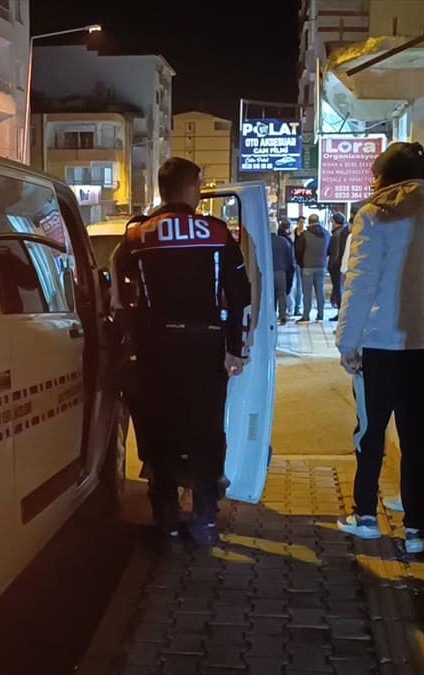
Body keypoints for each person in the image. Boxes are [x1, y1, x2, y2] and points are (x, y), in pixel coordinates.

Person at [334, 142, 424, 555]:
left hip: (379, 342)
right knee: (418, 436)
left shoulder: (374, 215)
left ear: (386, 177)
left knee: (370, 432)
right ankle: (416, 529)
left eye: (375, 176)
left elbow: (360, 283)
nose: (372, 184)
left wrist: (347, 341)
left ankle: (365, 516)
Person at [111, 157, 252, 548]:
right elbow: (240, 294)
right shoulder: (216, 232)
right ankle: (205, 519)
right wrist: (235, 350)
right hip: (206, 349)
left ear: (162, 190)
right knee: (206, 432)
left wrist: (129, 343)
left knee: (160, 433)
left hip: (155, 352)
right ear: (192, 189)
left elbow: (120, 297)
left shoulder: (137, 235)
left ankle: (168, 523)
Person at [295, 213, 330, 324]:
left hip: (307, 267)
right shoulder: (326, 234)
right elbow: (329, 249)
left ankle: (306, 316)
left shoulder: (305, 235)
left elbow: (298, 251)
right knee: (320, 291)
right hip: (321, 266)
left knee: (307, 293)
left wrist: (301, 263)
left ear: (309, 222)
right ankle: (320, 315)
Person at [326, 212, 350, 321]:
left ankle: (340, 313)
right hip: (341, 265)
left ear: (335, 222)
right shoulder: (344, 232)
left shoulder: (337, 234)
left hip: (336, 266)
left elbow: (334, 251)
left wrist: (333, 265)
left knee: (338, 289)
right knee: (341, 289)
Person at [272, 221, 295, 325]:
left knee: (271, 295)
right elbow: (289, 258)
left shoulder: (264, 242)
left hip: (268, 272)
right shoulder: (283, 241)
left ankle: (271, 315)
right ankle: (282, 316)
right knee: (282, 294)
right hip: (281, 271)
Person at [289, 218, 307, 316]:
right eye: (300, 222)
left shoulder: (306, 234)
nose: (302, 224)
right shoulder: (293, 233)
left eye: (303, 222)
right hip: (293, 263)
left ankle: (298, 307)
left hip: (302, 263)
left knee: (300, 286)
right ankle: (292, 308)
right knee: (293, 286)